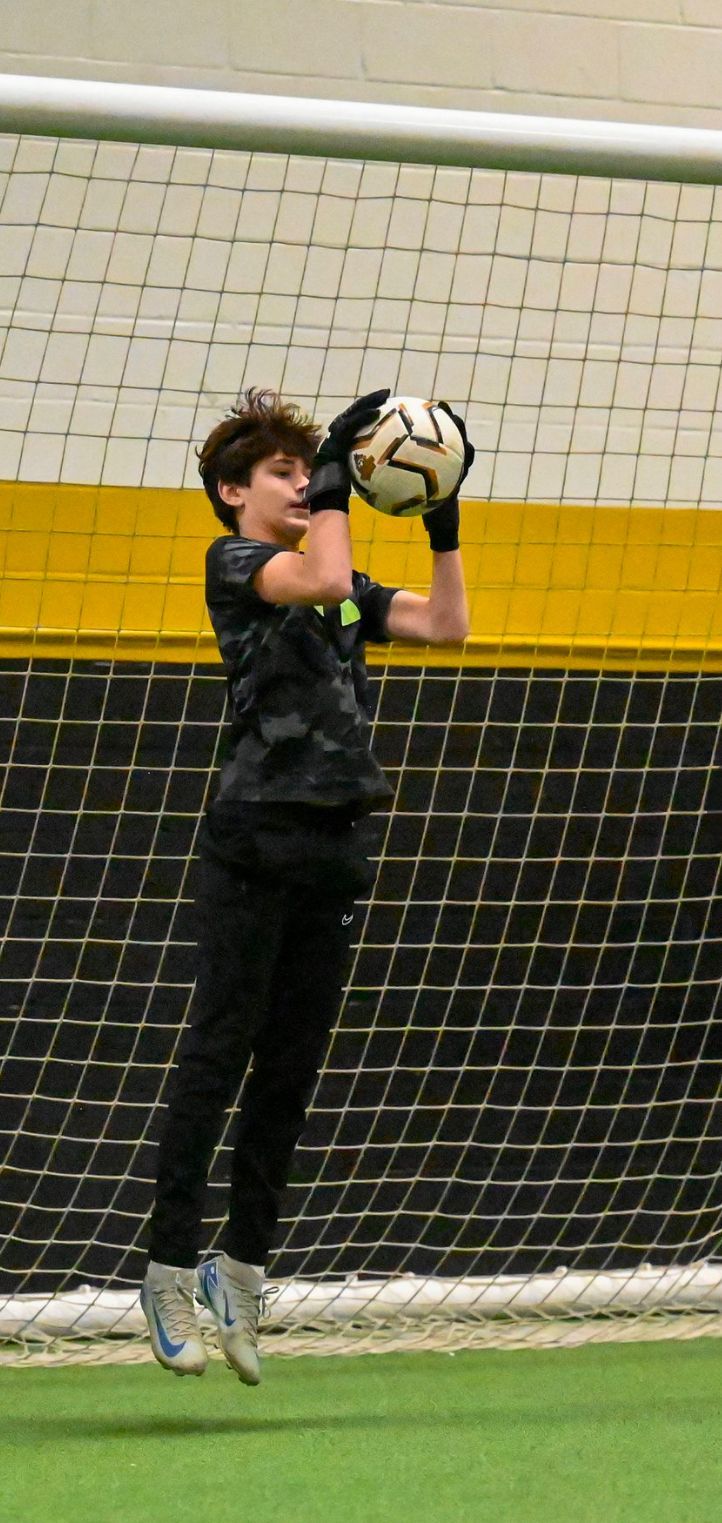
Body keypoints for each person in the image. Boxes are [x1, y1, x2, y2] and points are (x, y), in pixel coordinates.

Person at [140, 386, 473, 1382]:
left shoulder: (340, 582)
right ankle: (165, 1267)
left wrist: (442, 518)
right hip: (252, 838)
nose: (297, 482)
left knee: (288, 1072)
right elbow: (319, 564)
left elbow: (447, 623)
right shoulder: (238, 562)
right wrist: (334, 468)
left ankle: (238, 1266)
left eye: (303, 469)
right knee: (217, 1053)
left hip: (334, 844)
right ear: (231, 492)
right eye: (279, 473)